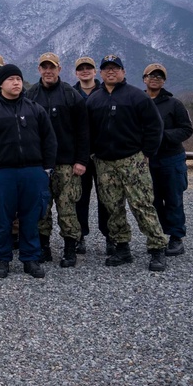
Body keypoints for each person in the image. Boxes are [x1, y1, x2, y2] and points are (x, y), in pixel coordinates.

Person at [0, 65, 57, 279]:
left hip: (32, 172)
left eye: (18, 78)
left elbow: (49, 140)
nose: (16, 83)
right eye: (10, 79)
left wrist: (46, 169)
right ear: (1, 84)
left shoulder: (35, 109)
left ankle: (31, 259)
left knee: (31, 217)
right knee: (3, 218)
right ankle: (2, 259)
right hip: (2, 173)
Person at [86, 55, 169, 272]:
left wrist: (147, 153)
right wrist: (92, 152)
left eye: (115, 68)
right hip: (104, 162)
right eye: (106, 69)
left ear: (123, 71)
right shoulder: (94, 100)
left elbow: (154, 126)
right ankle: (122, 247)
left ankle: (157, 248)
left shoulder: (137, 97)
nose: (110, 72)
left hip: (132, 159)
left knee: (141, 204)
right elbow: (87, 131)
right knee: (112, 207)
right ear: (100, 73)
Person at [25, 53, 89, 268]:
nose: (48, 71)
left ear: (59, 69)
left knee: (67, 207)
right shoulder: (31, 95)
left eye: (51, 67)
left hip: (67, 164)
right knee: (41, 207)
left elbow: (83, 131)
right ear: (39, 69)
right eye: (44, 67)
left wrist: (81, 160)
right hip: (40, 164)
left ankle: (70, 248)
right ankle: (44, 248)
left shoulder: (72, 95)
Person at [143, 63, 193, 257]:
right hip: (148, 160)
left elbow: (187, 129)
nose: (155, 78)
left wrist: (162, 135)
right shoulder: (138, 101)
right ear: (144, 78)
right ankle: (158, 237)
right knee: (152, 201)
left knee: (173, 199)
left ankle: (176, 238)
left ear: (164, 80)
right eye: (151, 75)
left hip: (171, 158)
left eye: (159, 76)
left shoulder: (175, 104)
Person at [71, 56, 111, 254]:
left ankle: (110, 236)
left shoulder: (107, 91)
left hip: (103, 154)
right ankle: (79, 236)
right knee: (80, 197)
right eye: (81, 68)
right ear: (76, 73)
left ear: (95, 72)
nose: (85, 71)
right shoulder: (70, 93)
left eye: (89, 68)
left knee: (107, 197)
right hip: (80, 155)